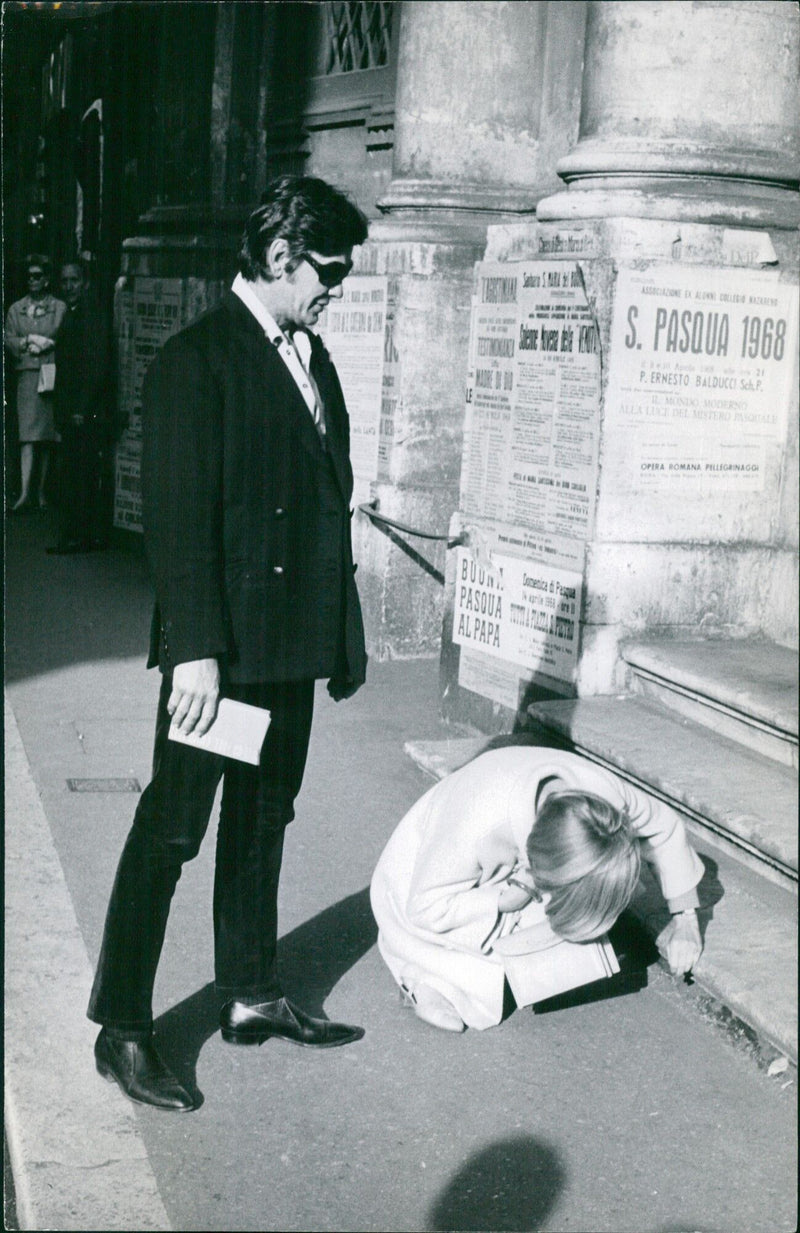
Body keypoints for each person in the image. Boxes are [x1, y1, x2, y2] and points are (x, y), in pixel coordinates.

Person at [88, 176, 370, 1111]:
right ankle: (123, 1024)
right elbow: (178, 526)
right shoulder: (196, 361)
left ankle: (250, 991)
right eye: (331, 268)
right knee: (174, 829)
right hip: (227, 657)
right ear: (283, 257)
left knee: (264, 820)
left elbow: (328, 504)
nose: (341, 285)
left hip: (287, 648)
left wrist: (342, 635)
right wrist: (194, 653)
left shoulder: (312, 357)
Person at [371, 745, 704, 1032]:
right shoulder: (475, 821)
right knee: (471, 956)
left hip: (519, 867)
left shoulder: (605, 798)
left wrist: (685, 919)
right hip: (422, 878)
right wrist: (503, 899)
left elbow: (665, 827)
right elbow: (426, 907)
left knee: (557, 934)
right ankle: (424, 976)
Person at [48, 261, 112, 554]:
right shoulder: (73, 313)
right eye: (64, 281)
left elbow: (96, 365)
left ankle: (80, 535)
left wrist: (82, 408)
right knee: (73, 473)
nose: (69, 286)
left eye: (74, 280)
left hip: (83, 411)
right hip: (72, 408)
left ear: (85, 282)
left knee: (81, 474)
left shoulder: (90, 314)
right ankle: (76, 533)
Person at [4, 254, 66, 511]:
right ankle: (25, 493)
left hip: (49, 372)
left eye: (38, 276)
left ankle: (40, 491)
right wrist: (28, 341)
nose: (33, 281)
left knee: (47, 435)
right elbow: (9, 337)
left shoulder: (58, 307)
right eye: (30, 276)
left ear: (47, 279)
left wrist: (32, 340)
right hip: (27, 374)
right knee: (27, 436)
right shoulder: (16, 308)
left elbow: (56, 330)